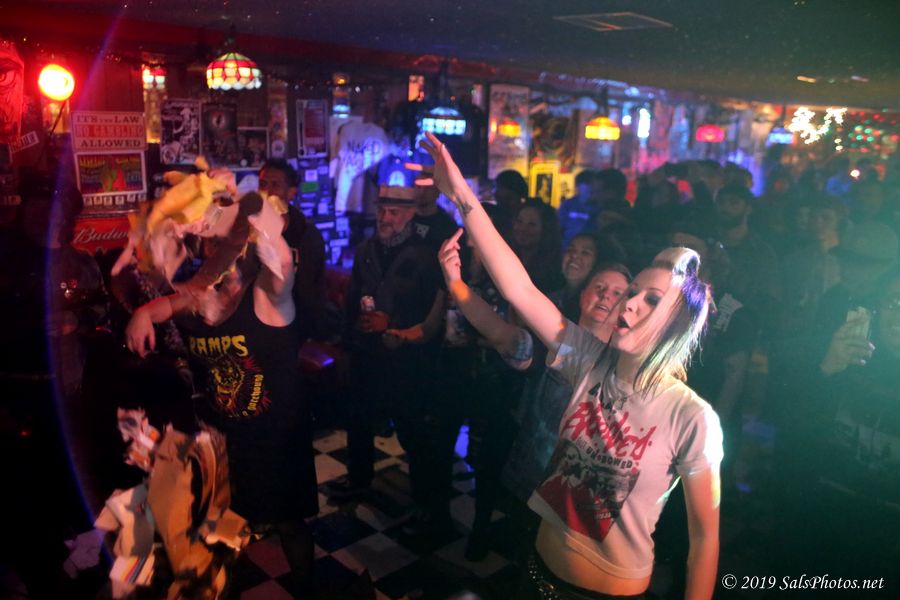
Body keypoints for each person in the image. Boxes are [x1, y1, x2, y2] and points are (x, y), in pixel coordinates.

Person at [420, 132, 722, 600]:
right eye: (632, 292)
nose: (629, 303)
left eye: (651, 299)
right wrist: (461, 194)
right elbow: (519, 288)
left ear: (678, 325)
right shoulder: (588, 360)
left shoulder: (691, 416)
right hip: (537, 571)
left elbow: (703, 539)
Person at [125, 192, 319, 596]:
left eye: (225, 242)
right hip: (227, 434)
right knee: (226, 520)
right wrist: (142, 314)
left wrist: (250, 205)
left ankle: (306, 588)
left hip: (276, 436)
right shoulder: (201, 296)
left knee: (287, 522)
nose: (215, 251)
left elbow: (282, 263)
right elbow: (165, 306)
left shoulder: (266, 294)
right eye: (209, 242)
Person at [258, 159, 328, 341]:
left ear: (291, 192)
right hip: (255, 322)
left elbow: (311, 291)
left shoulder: (307, 236)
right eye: (263, 184)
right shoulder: (248, 231)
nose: (267, 191)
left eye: (275, 185)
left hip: (294, 326)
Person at [511, 197, 564, 294]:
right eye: (519, 221)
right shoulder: (506, 257)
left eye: (531, 224)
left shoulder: (553, 274)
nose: (522, 229)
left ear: (546, 230)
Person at [557, 170, 598, 249]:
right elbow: (558, 227)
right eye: (589, 184)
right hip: (566, 248)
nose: (592, 189)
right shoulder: (568, 205)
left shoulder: (598, 208)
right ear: (578, 186)